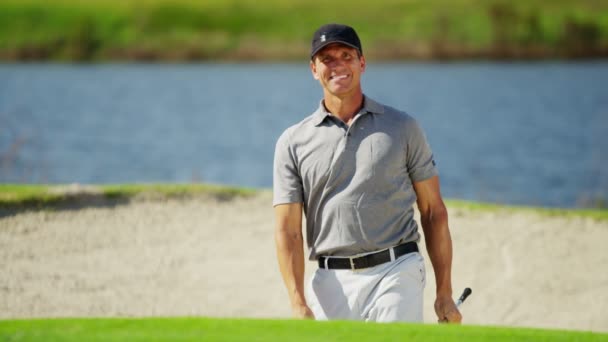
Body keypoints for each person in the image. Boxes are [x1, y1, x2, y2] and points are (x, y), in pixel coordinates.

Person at [273, 23, 461, 324]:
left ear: (362, 63)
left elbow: (433, 212)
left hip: (396, 269)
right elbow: (288, 230)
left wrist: (444, 293)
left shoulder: (403, 127)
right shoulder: (292, 142)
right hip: (329, 281)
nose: (338, 66)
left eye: (346, 56)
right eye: (327, 59)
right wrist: (297, 302)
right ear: (313, 69)